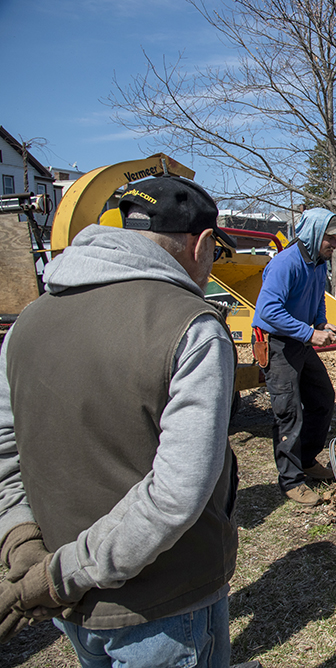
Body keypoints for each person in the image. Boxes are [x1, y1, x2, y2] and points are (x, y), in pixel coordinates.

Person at [0, 176, 239, 665]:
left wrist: (22, 542)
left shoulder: (27, 322)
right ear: (204, 244)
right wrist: (64, 573)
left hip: (67, 599)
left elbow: (6, 449)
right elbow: (175, 494)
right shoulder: (192, 327)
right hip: (164, 603)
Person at [252, 208, 336, 506]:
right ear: (315, 234)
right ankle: (290, 480)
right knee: (289, 412)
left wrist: (320, 322)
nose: (334, 243)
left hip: (300, 340)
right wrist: (308, 333)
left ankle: (305, 459)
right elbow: (267, 312)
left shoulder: (318, 264)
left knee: (322, 399)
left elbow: (318, 297)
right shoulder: (285, 264)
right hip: (278, 345)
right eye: (330, 237)